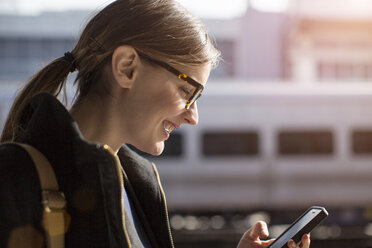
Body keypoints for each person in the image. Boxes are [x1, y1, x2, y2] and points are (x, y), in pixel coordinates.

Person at [0, 0, 311, 247]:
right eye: (187, 91)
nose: (193, 116)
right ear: (127, 67)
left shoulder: (136, 186)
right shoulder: (12, 180)